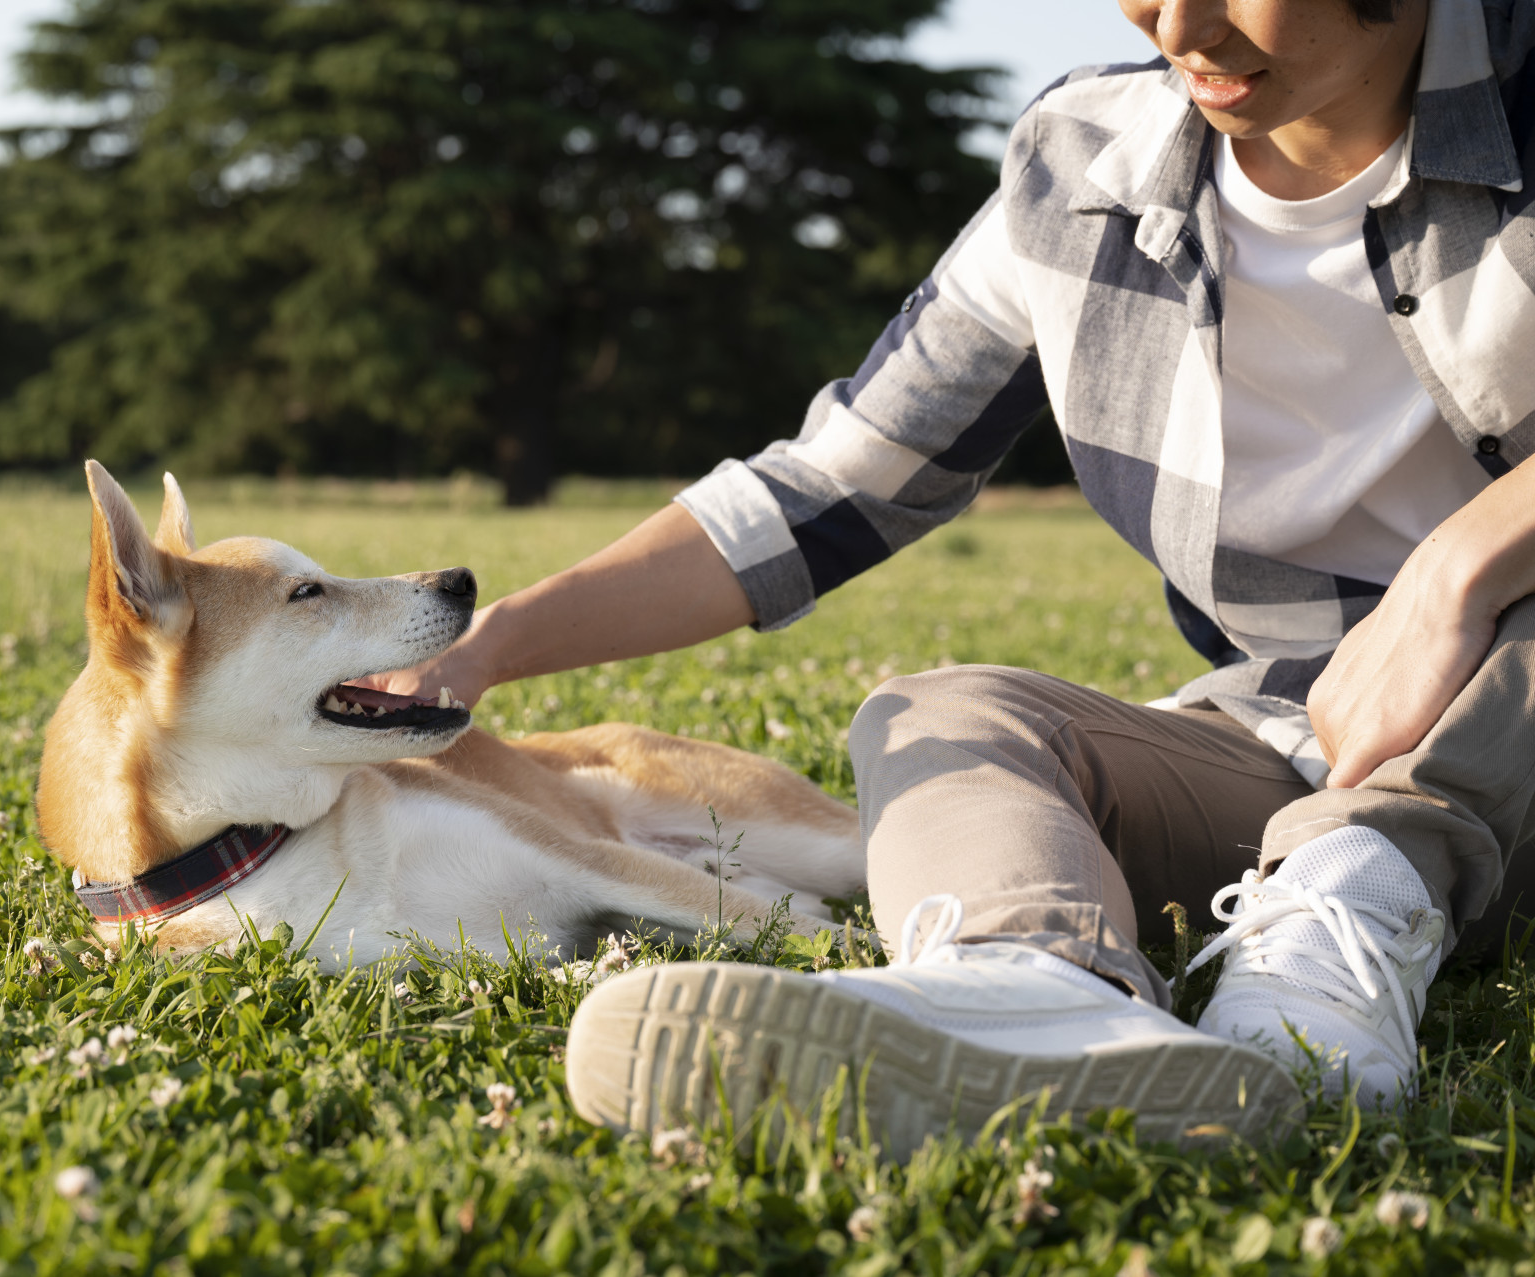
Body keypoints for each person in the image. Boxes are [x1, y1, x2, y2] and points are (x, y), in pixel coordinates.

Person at [376, 0, 1535, 1140]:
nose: (1180, 28)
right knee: (940, 713)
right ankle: (1036, 989)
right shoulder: (1085, 164)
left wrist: (1460, 567)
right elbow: (832, 485)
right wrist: (487, 647)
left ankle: (1343, 925)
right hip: (1292, 732)